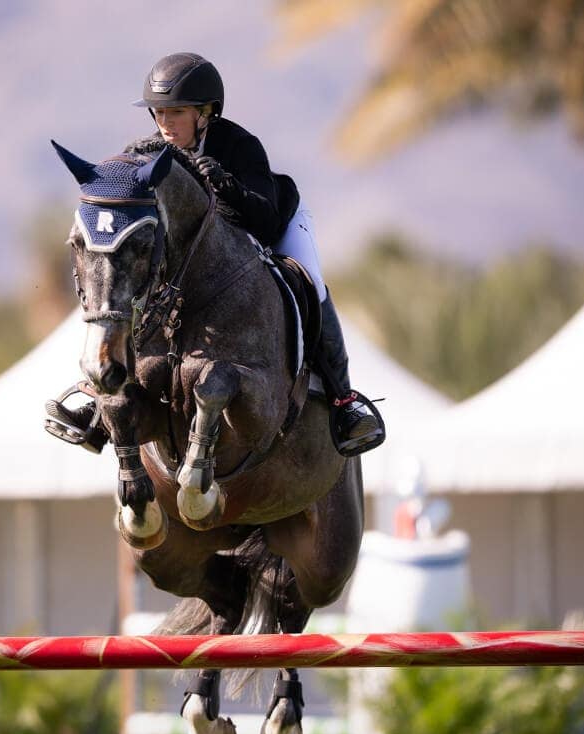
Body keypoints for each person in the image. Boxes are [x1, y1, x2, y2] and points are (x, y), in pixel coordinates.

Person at [47, 52, 385, 458]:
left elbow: (264, 220)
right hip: (202, 251)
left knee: (310, 283)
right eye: (159, 113)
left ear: (206, 113)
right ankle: (99, 400)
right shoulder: (148, 153)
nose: (165, 123)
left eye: (177, 112)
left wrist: (225, 183)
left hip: (275, 223)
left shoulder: (239, 146)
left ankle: (343, 402)